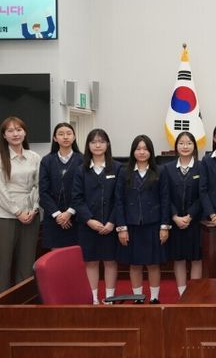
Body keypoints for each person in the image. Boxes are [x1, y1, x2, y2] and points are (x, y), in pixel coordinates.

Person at [0, 116, 41, 294]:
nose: (15, 134)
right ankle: (1, 304)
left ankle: (22, 303)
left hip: (31, 215)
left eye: (18, 130)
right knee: (3, 265)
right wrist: (17, 212)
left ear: (25, 132)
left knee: (26, 265)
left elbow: (39, 186)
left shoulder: (34, 157)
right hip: (5, 217)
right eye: (10, 131)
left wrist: (34, 209)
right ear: (4, 135)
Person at [115, 135, 170, 304]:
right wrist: (121, 227)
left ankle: (154, 298)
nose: (141, 152)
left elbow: (165, 199)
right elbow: (119, 201)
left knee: (153, 264)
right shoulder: (124, 172)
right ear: (133, 151)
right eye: (138, 148)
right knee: (135, 264)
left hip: (153, 224)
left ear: (150, 151)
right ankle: (138, 298)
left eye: (145, 149)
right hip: (131, 225)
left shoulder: (160, 171)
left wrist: (164, 226)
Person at [72, 128, 121, 304]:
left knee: (110, 261)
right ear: (88, 145)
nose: (98, 145)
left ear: (107, 144)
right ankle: (93, 298)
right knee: (91, 262)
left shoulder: (117, 168)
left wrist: (112, 222)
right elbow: (77, 199)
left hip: (110, 225)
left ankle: (109, 298)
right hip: (88, 226)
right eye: (93, 142)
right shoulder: (81, 170)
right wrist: (89, 220)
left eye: (101, 141)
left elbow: (120, 198)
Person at [163, 131, 202, 296]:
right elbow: (165, 196)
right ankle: (182, 294)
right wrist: (174, 216)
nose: (185, 146)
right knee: (178, 259)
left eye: (189, 143)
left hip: (196, 221)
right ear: (176, 146)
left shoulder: (202, 167)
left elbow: (203, 195)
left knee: (196, 258)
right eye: (181, 143)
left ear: (194, 146)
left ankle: (193, 295)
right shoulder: (167, 168)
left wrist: (190, 215)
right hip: (175, 222)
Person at [38, 122, 84, 249]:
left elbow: (84, 190)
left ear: (74, 137)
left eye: (69, 134)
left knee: (76, 256)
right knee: (56, 257)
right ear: (55, 138)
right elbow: (43, 192)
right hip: (53, 218)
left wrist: (69, 212)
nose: (65, 137)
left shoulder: (83, 160)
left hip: (77, 217)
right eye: (61, 134)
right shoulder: (47, 160)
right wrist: (58, 215)